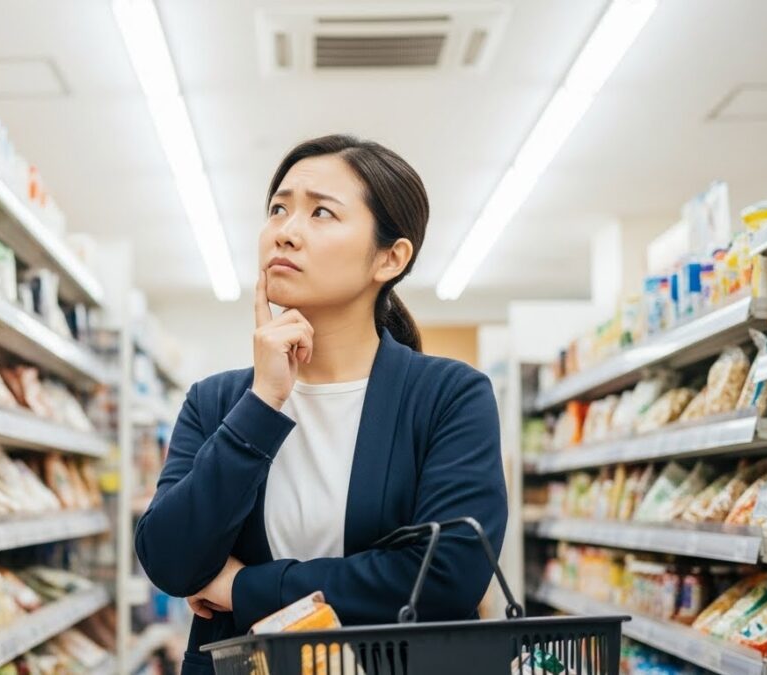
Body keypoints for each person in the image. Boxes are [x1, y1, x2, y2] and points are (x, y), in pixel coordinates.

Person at [134, 134, 508, 674]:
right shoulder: (217, 402)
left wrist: (242, 588)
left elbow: (446, 578)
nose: (285, 231)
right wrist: (263, 403)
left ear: (389, 258)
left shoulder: (449, 397)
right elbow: (170, 562)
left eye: (321, 213)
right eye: (278, 209)